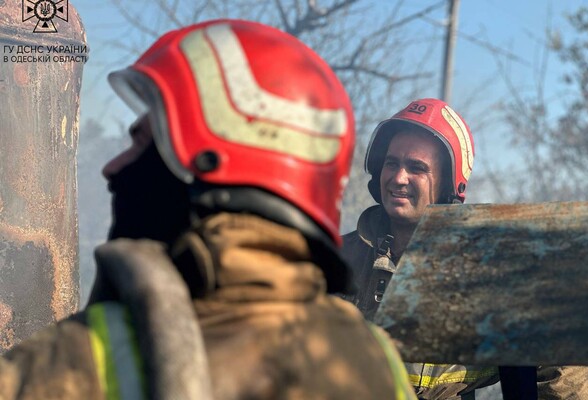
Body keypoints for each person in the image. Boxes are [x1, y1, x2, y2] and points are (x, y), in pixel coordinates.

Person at [0, 19, 419, 399]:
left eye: (143, 144)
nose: (112, 168)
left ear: (211, 167)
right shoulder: (374, 362)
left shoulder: (65, 367)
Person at [339, 98, 588, 399]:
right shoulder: (337, 258)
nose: (399, 178)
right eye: (391, 163)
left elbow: (567, 359)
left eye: (416, 168)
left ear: (449, 185)